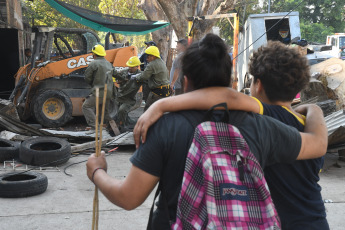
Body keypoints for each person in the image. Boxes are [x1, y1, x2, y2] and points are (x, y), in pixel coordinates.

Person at [86, 34, 327, 229]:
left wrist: (97, 171)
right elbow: (316, 144)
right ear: (230, 81)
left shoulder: (164, 127)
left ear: (187, 81)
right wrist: (314, 108)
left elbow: (129, 197)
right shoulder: (262, 126)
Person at [82, 44, 114, 130]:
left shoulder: (94, 63)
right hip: (108, 93)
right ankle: (113, 126)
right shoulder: (108, 64)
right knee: (104, 112)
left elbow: (87, 78)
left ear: (94, 54)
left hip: (99, 92)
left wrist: (93, 84)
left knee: (86, 106)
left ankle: (95, 127)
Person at [109, 56, 142, 132]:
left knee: (122, 110)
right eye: (129, 66)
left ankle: (122, 127)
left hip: (129, 99)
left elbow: (147, 81)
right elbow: (117, 78)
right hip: (120, 97)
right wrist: (119, 80)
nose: (129, 68)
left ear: (137, 66)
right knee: (120, 115)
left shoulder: (141, 75)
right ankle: (133, 124)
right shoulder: (124, 71)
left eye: (132, 67)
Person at [132, 45, 170, 111]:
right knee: (160, 111)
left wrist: (135, 77)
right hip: (166, 91)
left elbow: (143, 77)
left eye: (148, 56)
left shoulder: (152, 64)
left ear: (153, 56)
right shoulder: (161, 62)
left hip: (157, 93)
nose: (146, 59)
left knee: (148, 110)